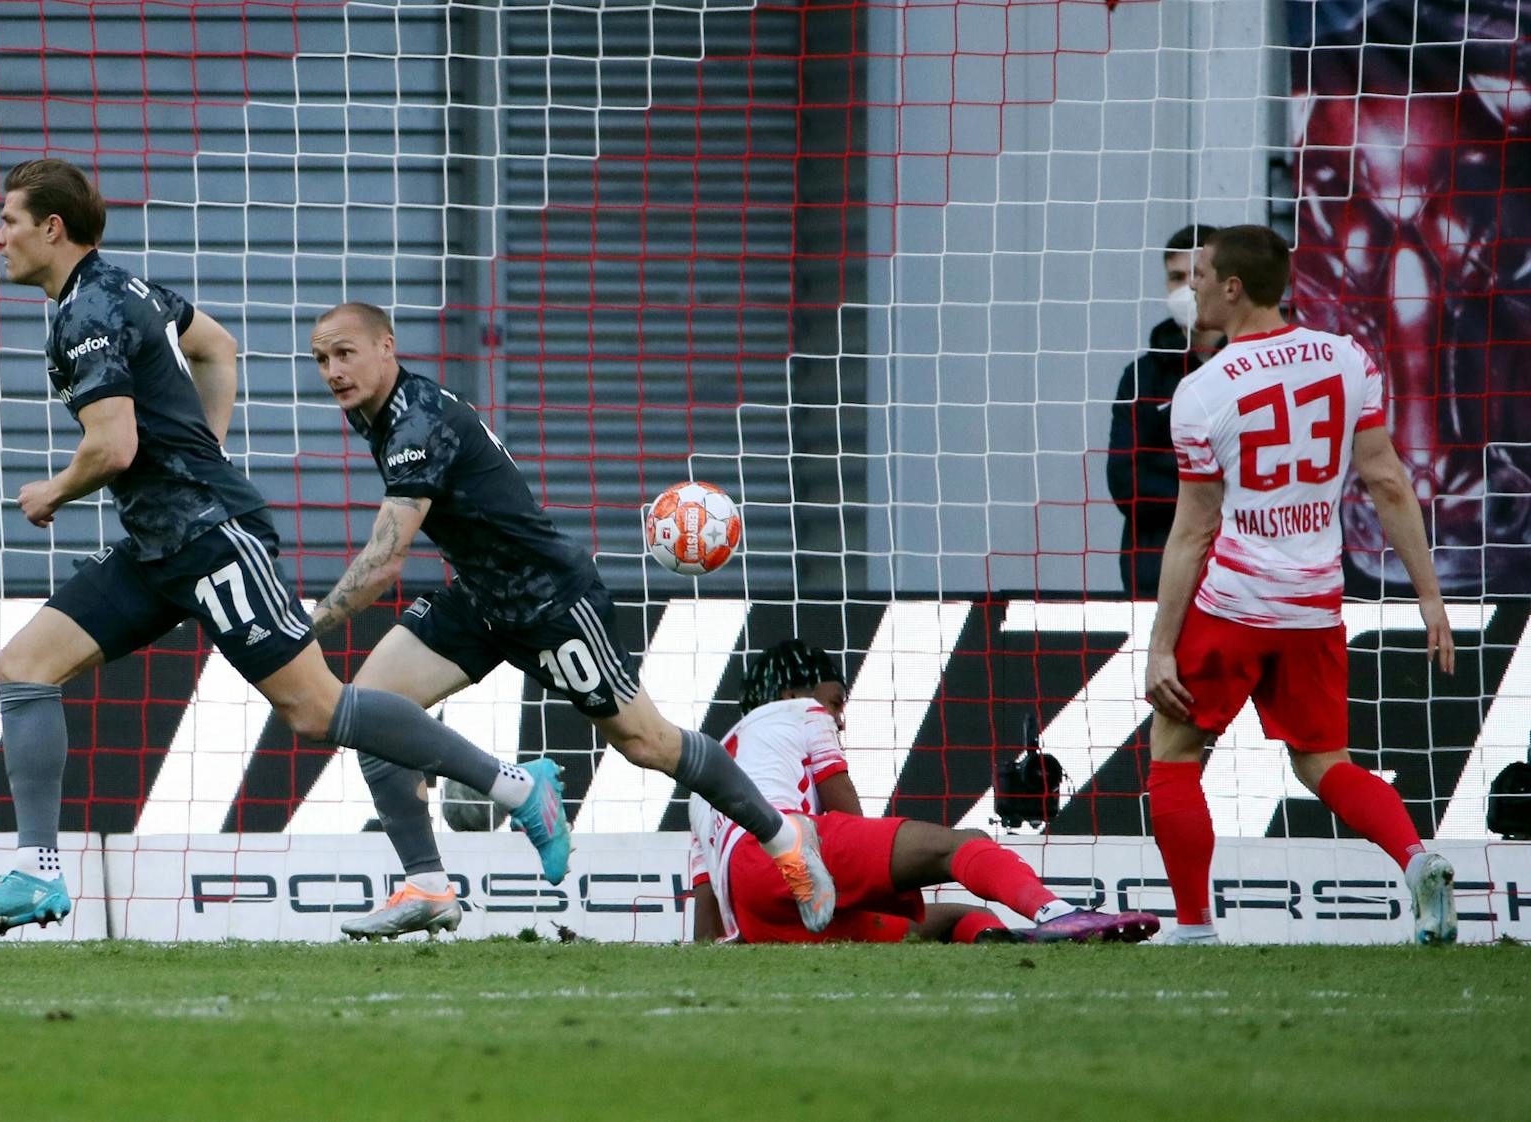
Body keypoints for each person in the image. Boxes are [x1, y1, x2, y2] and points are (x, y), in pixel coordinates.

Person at [0, 160, 569, 937]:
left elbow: (112, 444)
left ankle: (516, 786)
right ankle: (36, 874)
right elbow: (217, 346)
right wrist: (205, 450)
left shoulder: (86, 313)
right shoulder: (123, 288)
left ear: (51, 229)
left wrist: (54, 490)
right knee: (22, 667)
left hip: (209, 541)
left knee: (316, 710)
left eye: (5, 220)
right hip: (158, 545)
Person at [306, 303, 836, 942]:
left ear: (386, 347)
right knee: (371, 713)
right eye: (321, 359)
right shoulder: (384, 415)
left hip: (552, 604)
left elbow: (385, 560)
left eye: (345, 353)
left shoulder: (415, 422)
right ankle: (429, 882)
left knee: (648, 744)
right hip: (481, 598)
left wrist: (308, 626)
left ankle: (784, 837)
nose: (333, 371)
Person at [1144, 223, 1459, 947]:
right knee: (1324, 762)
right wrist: (1429, 593)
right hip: (1315, 603)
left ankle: (1192, 926)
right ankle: (1415, 859)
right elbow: (1386, 479)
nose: (1189, 288)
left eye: (1201, 276)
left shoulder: (1203, 389)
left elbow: (1193, 529)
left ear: (1233, 288)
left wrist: (1163, 647)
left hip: (1234, 604)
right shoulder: (1348, 357)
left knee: (1175, 752)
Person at [687, 640, 1160, 945]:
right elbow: (850, 821)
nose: (839, 717)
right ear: (795, 696)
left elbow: (706, 927)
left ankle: (1006, 949)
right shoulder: (801, 714)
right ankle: (1058, 913)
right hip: (788, 855)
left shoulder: (702, 785)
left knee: (954, 919)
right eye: (836, 702)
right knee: (958, 844)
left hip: (760, 920)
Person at [1107, 223, 1224, 597]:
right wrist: (1215, 494)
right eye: (1176, 277)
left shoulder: (1260, 369)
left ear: (1227, 283)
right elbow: (1127, 482)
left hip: (1244, 578)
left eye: (1197, 275)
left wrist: (1173, 474)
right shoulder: (1141, 377)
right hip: (1157, 574)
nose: (1186, 288)